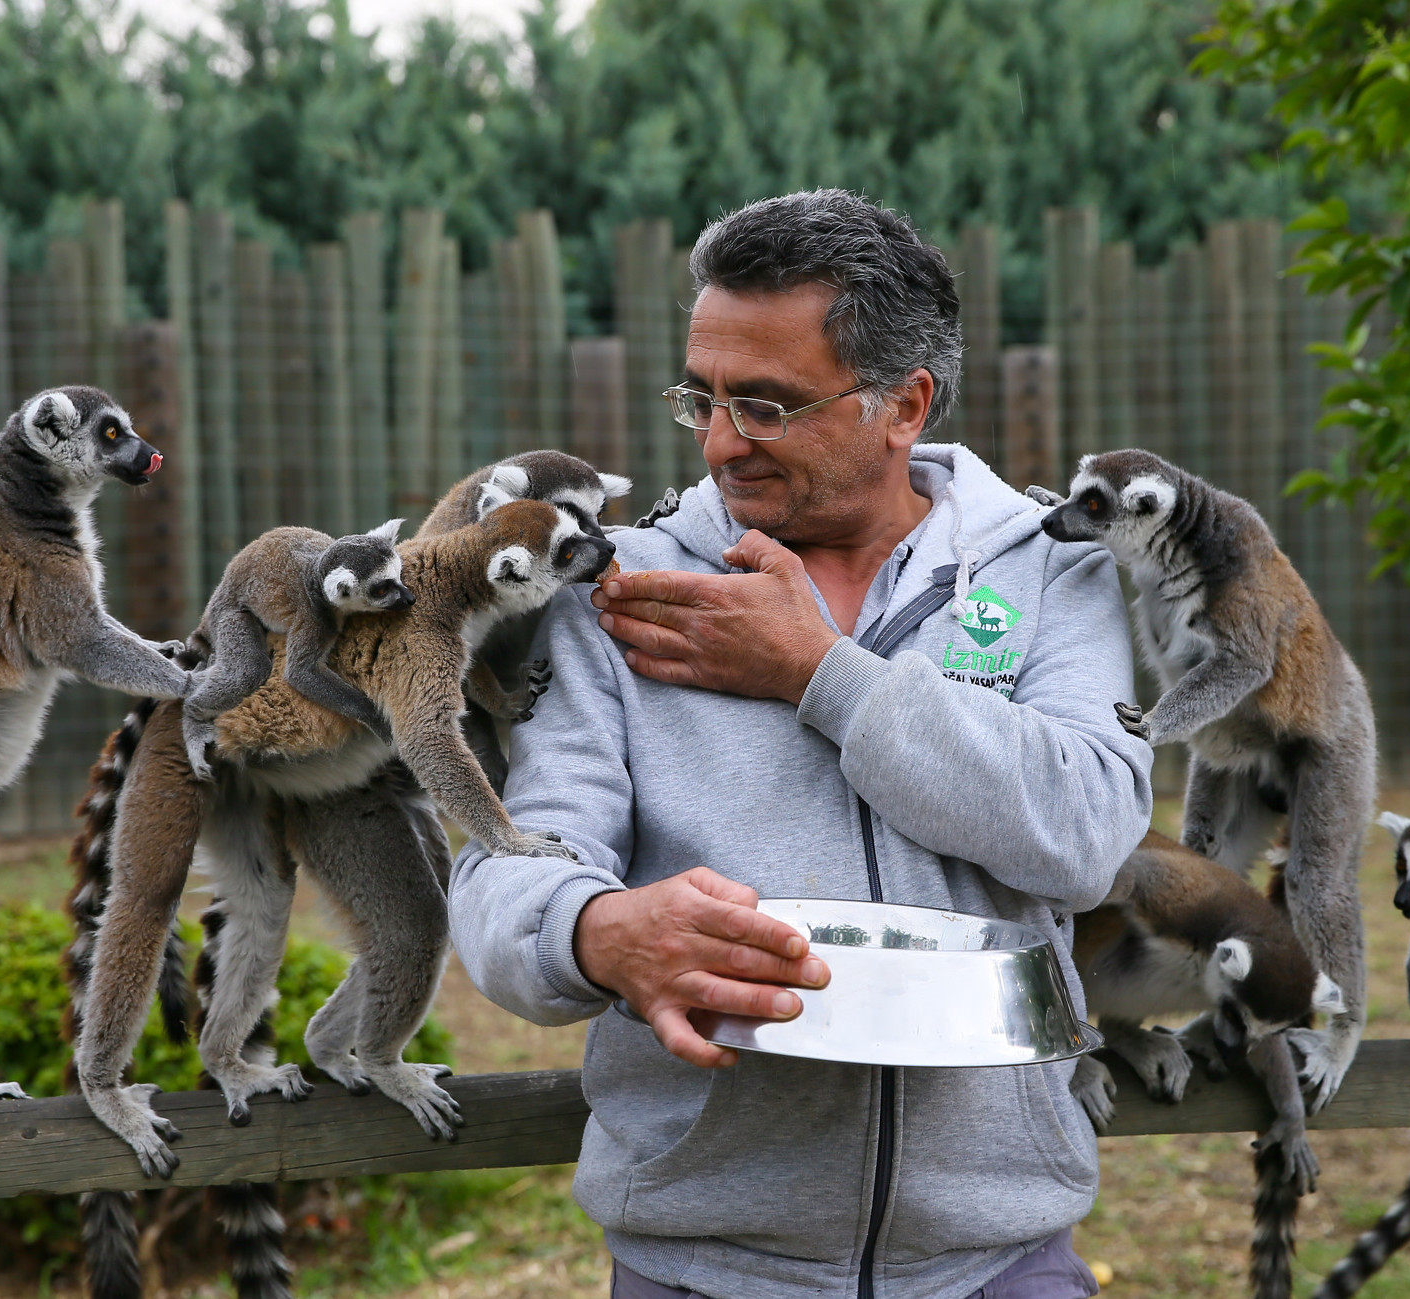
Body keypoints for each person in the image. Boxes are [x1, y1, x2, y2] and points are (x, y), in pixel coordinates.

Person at [450, 189, 1153, 1299]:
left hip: (995, 1262)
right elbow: (502, 865)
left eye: (766, 407)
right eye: (704, 398)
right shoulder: (620, 586)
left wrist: (819, 673)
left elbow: (1086, 838)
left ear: (903, 406)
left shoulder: (1046, 568)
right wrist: (593, 930)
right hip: (701, 1265)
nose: (723, 442)